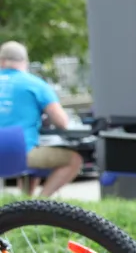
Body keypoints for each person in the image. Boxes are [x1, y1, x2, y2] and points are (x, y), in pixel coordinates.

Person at [0, 41, 86, 197]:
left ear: (2, 61)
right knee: (74, 160)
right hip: (21, 153)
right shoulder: (35, 84)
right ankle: (40, 204)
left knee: (32, 169)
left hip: (10, 156)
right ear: (25, 62)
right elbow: (62, 121)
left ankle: (24, 203)